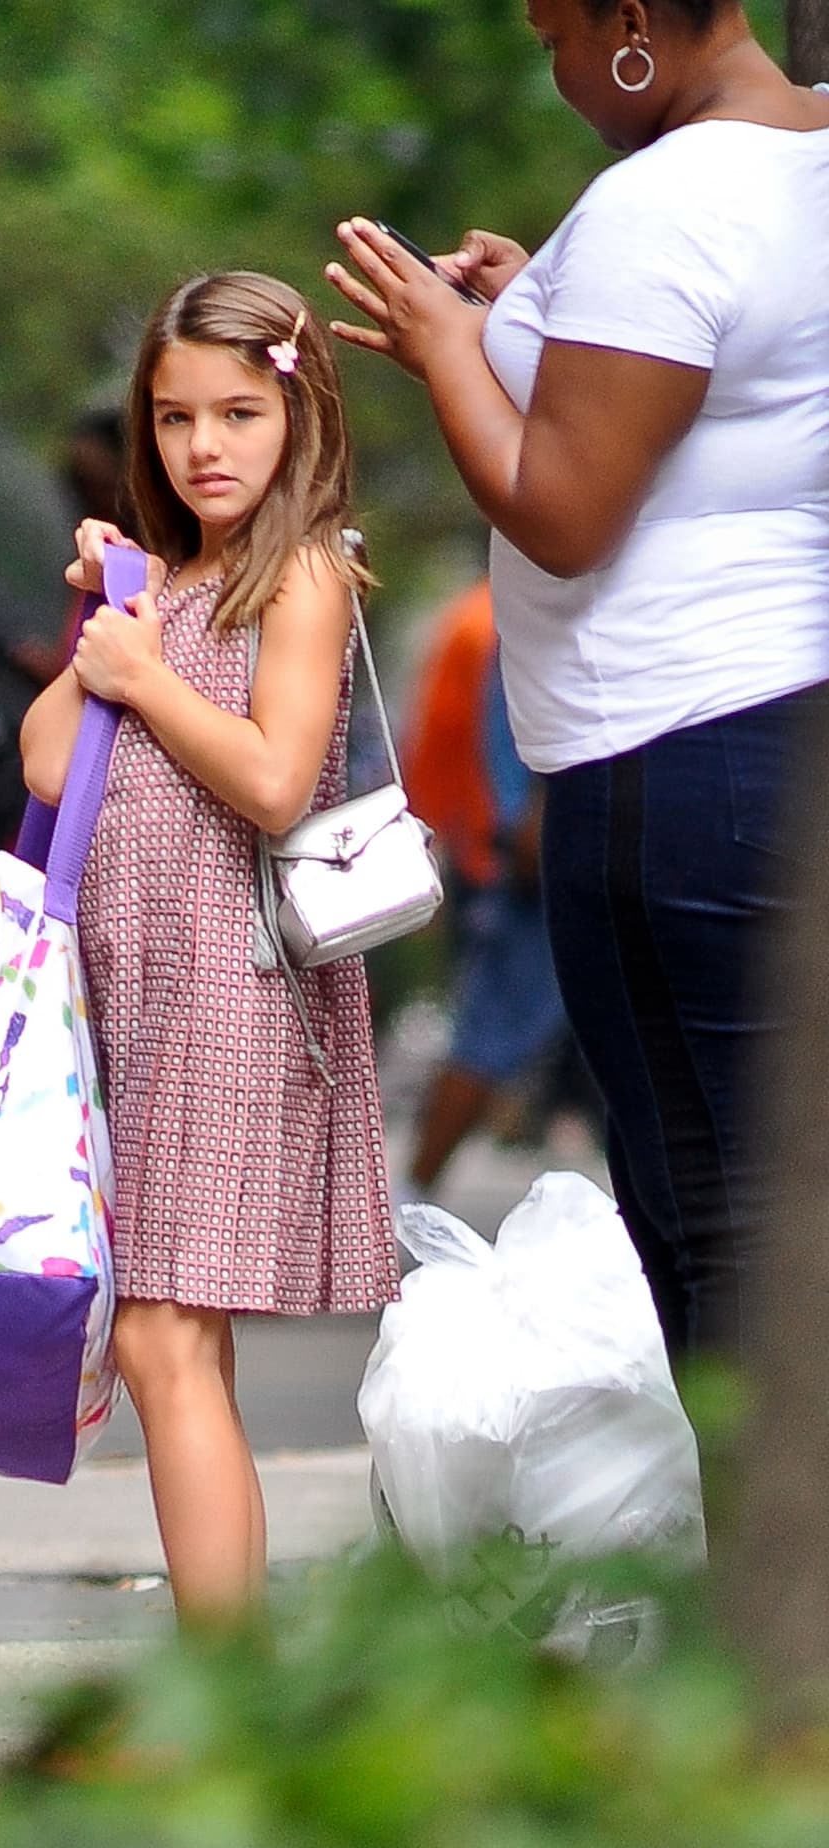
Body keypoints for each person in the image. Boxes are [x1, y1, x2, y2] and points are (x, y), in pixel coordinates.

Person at [328, 1, 829, 1356]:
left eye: (553, 34)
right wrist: (531, 303)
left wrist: (444, 346)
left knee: (708, 1217)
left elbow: (560, 507)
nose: (551, 69)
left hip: (670, 753)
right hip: (770, 729)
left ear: (628, 26)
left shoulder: (662, 205)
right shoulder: (806, 157)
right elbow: (700, 378)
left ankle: (758, 1570)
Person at [20, 273, 399, 1623]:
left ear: (299, 412)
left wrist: (148, 676)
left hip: (233, 990)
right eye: (177, 418)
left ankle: (221, 1679)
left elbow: (277, 781)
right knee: (184, 1342)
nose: (207, 447)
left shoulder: (299, 570)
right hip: (142, 993)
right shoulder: (163, 579)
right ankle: (226, 1669)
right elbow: (53, 761)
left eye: (240, 412)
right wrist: (107, 621)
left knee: (161, 1334)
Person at [402, 579, 572, 1196]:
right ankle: (412, 1193)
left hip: (489, 845)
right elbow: (459, 735)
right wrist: (512, 816)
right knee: (490, 1028)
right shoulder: (495, 617)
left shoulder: (478, 613)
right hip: (510, 852)